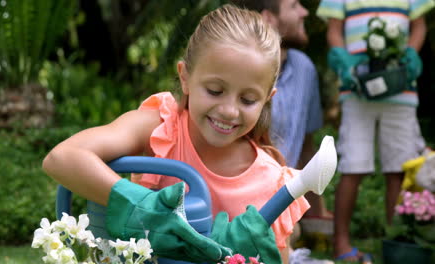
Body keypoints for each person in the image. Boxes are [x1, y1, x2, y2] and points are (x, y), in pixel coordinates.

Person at [42, 4, 328, 264]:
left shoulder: (272, 185)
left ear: (267, 99)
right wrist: (142, 207)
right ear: (185, 78)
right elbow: (62, 157)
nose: (229, 110)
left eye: (248, 100)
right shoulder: (162, 129)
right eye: (215, 91)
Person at [316, 0, 434, 262]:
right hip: (357, 90)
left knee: (399, 169)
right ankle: (341, 244)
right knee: (353, 166)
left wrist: (411, 53)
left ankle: (400, 242)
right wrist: (342, 57)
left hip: (400, 91)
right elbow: (334, 30)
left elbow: (419, 26)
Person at [231, 0, 333, 260]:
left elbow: (306, 143)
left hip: (284, 197)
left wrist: (317, 212)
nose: (305, 12)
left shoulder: (304, 68)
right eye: (294, 5)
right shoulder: (237, 69)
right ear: (269, 18)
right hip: (239, 197)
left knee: (291, 232)